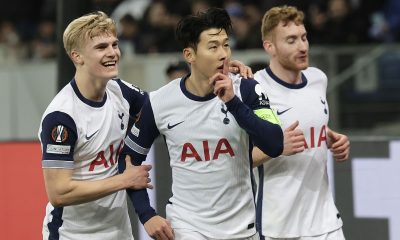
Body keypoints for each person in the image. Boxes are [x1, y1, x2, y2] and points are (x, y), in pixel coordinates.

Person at [119, 7, 302, 240]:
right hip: (188, 228)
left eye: (226, 45)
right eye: (213, 47)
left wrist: (233, 102)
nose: (223, 54)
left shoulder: (247, 88)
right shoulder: (161, 102)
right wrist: (146, 214)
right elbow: (128, 159)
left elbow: (275, 143)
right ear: (190, 55)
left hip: (242, 228)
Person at [38, 11, 153, 240]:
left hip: (119, 231)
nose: (113, 53)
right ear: (77, 56)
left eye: (114, 44)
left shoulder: (118, 89)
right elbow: (59, 193)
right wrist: (124, 180)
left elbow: (161, 108)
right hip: (72, 234)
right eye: (101, 47)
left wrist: (215, 78)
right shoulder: (61, 116)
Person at [252, 5, 350, 240]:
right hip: (280, 227)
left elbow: (311, 124)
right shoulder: (255, 89)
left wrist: (332, 138)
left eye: (304, 38)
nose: (303, 46)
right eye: (291, 40)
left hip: (326, 222)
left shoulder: (318, 79)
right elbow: (237, 159)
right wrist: (276, 146)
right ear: (270, 47)